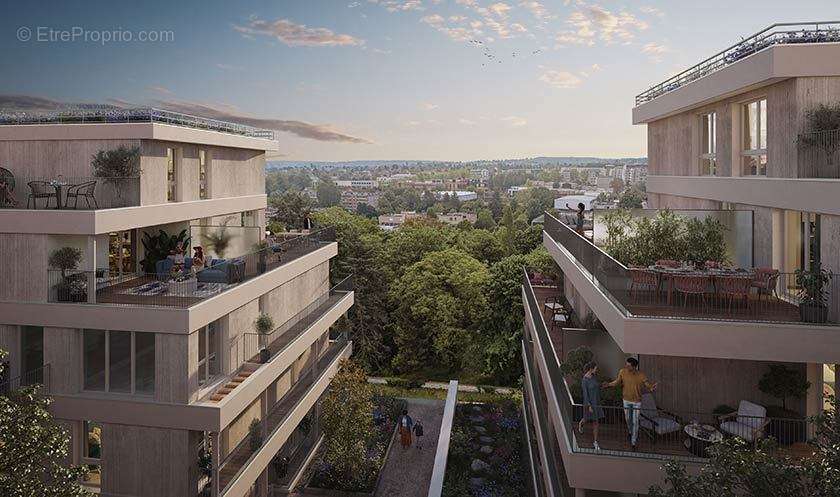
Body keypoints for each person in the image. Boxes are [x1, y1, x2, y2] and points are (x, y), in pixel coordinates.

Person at [604, 357, 657, 451]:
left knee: (635, 421)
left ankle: (633, 442)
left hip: (637, 402)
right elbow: (617, 382)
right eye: (626, 364)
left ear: (634, 367)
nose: (626, 366)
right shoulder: (622, 372)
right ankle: (630, 431)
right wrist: (608, 385)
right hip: (626, 400)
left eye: (628, 365)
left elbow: (647, 384)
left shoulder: (641, 375)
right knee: (628, 419)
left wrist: (651, 388)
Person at [578, 361, 603, 451]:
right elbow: (585, 394)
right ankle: (581, 423)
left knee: (596, 423)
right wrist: (589, 406)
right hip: (589, 403)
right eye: (596, 368)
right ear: (591, 369)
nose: (597, 370)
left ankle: (595, 441)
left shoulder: (594, 377)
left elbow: (596, 386)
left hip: (596, 403)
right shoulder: (584, 380)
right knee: (586, 419)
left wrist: (602, 385)